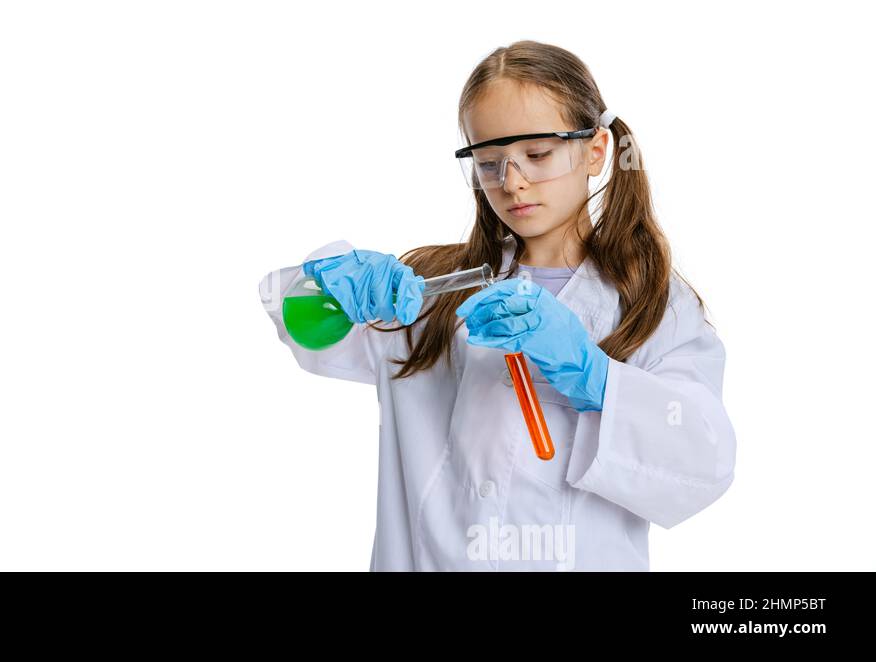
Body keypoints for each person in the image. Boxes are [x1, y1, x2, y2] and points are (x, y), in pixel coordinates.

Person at [257, 40, 735, 571]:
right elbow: (294, 321)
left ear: (596, 150)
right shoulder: (429, 292)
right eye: (489, 163)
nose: (513, 183)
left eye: (537, 155)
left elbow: (704, 463)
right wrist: (335, 283)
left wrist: (597, 379)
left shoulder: (650, 303)